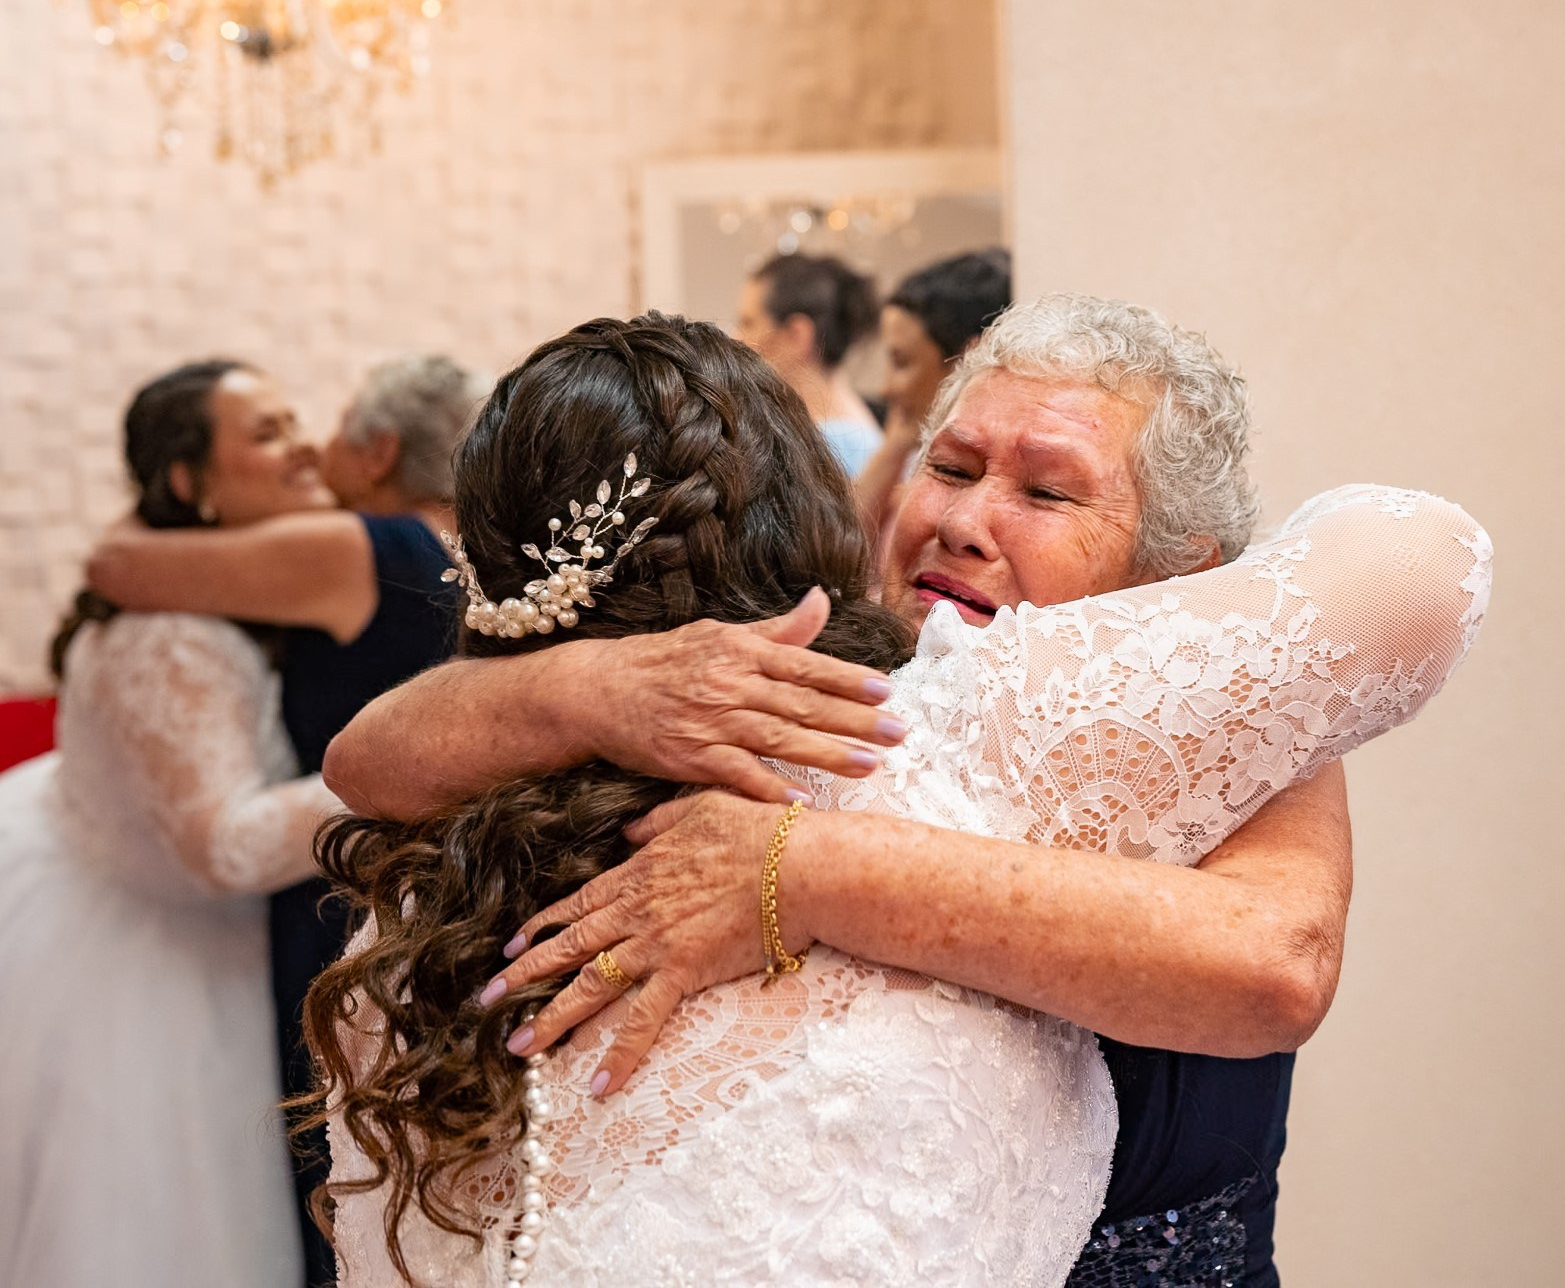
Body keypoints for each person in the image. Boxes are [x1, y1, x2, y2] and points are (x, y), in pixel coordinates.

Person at [320, 297, 1493, 1283]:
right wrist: (588, 680)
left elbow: (1270, 964)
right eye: (949, 465)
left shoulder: (1240, 729)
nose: (965, 519)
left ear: (1182, 582)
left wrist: (797, 871)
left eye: (1046, 493)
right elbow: (363, 758)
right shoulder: (788, 700)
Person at [85, 353, 484, 1287]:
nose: (309, 446)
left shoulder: (358, 545)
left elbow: (116, 563)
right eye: (272, 431)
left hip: (337, 908)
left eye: (324, 426)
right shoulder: (457, 549)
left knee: (344, 1178)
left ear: (379, 449)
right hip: (439, 895)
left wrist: (421, 768)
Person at [0, 361, 345, 1286]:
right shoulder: (169, 636)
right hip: (158, 971)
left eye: (292, 417)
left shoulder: (199, 591)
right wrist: (394, 777)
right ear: (190, 485)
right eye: (265, 433)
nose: (302, 444)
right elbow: (223, 844)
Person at [852, 248, 1012, 541]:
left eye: (901, 362)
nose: (887, 388)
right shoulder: (911, 455)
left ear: (967, 358)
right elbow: (835, 550)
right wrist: (896, 445)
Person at [735, 251, 884, 475]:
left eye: (748, 323)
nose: (735, 338)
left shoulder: (836, 444)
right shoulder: (825, 428)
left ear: (796, 335)